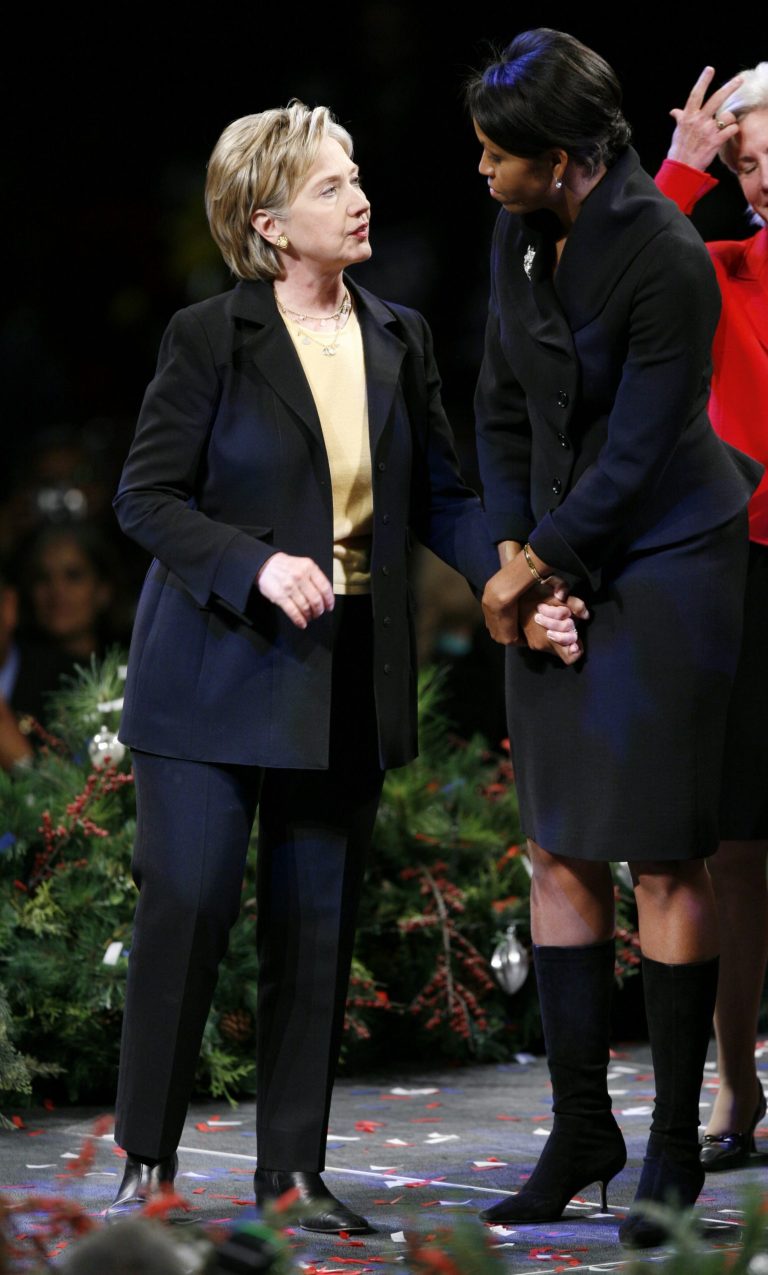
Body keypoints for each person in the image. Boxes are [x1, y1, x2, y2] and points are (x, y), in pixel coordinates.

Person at [107, 101, 502, 1233]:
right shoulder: (208, 338)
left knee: (314, 917)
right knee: (186, 907)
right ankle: (146, 1159)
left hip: (342, 665)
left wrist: (510, 578)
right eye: (332, 187)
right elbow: (147, 498)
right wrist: (254, 566)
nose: (360, 197)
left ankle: (293, 1173)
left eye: (357, 177)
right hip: (216, 665)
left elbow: (446, 498)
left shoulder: (399, 334)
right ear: (272, 224)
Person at [465, 29, 762, 1248]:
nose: (482, 169)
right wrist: (513, 571)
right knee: (556, 846)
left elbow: (640, 454)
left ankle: (678, 1151)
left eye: (501, 153)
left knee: (662, 854)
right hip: (554, 559)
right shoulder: (517, 234)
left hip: (668, 562)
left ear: (572, 159)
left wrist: (543, 568)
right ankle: (581, 1128)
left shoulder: (666, 253)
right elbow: (497, 407)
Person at [655, 63, 768, 1170]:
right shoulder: (721, 264)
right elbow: (610, 264)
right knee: (735, 848)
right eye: (745, 159)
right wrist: (684, 168)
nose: (761, 170)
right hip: (744, 567)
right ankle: (738, 1091)